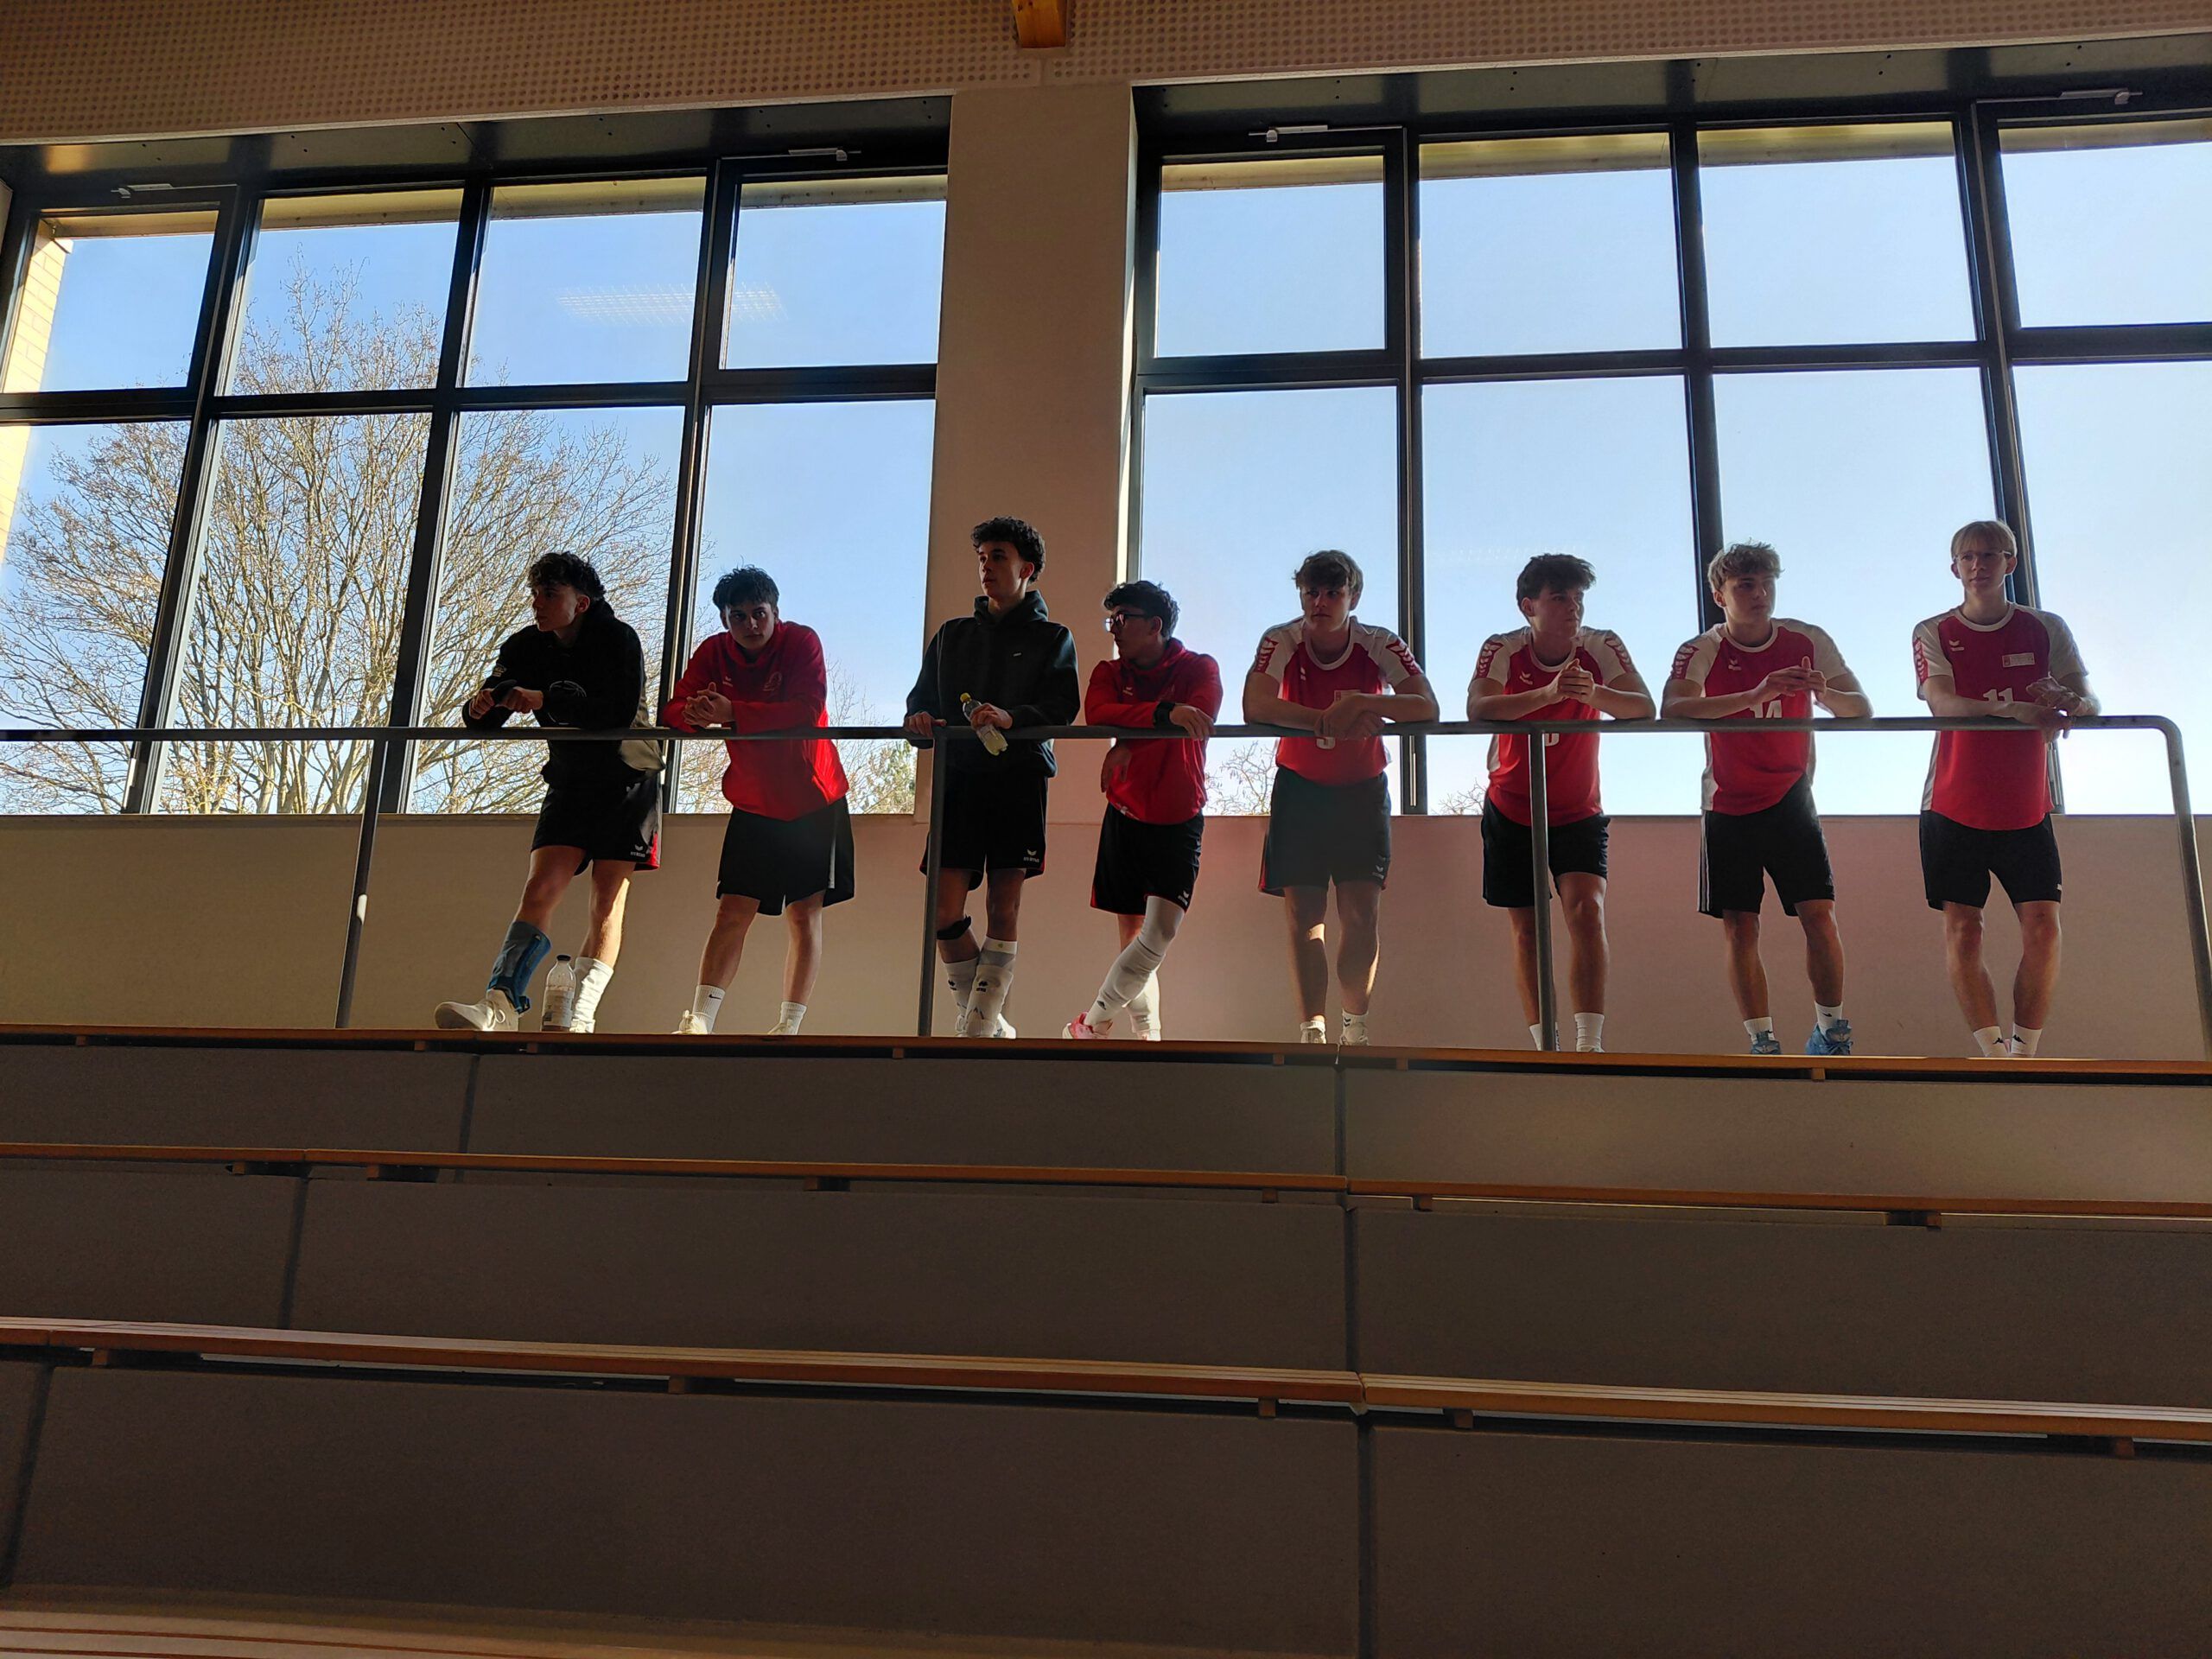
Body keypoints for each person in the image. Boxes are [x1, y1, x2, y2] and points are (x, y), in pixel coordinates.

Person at [435, 551, 663, 1033]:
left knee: (606, 901)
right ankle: (499, 1004)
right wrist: (480, 707)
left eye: (549, 594)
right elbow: (489, 713)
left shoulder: (619, 639)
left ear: (581, 603)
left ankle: (579, 1015)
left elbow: (616, 712)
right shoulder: (525, 646)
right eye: (535, 593)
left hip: (627, 779)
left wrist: (547, 698)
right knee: (540, 888)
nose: (537, 603)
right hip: (571, 780)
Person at [1664, 541, 1869, 1057]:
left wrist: (1825, 693)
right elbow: (1674, 708)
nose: (1760, 595)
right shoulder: (1702, 648)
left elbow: (1860, 709)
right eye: (1745, 586)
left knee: (1819, 914)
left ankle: (1831, 1030)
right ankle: (1761, 1040)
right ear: (1720, 596)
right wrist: (1756, 694)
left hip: (1791, 796)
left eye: (1767, 583)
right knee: (1741, 926)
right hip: (1728, 802)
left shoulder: (1806, 639)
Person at [1913, 519, 2096, 1058]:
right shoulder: (1933, 630)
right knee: (1965, 930)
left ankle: (2025, 1051)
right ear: (1954, 568)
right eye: (1968, 557)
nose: (1979, 565)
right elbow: (1943, 702)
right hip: (1952, 803)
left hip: (2025, 806)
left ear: (2010, 563)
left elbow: (2087, 700)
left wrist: (2074, 704)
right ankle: (1993, 1052)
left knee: (2044, 929)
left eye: (1990, 555)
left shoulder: (2046, 627)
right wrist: (2016, 710)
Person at [1245, 550, 1437, 1046]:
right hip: (1300, 790)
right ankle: (1312, 1031)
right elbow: (1255, 705)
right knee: (1304, 920)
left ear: (1354, 598)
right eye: (1311, 592)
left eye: (1333, 592)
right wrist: (1325, 721)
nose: (1320, 602)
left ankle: (1355, 1030)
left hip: (1361, 791)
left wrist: (1362, 703)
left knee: (1360, 914)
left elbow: (1426, 707)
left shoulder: (1379, 642)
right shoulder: (1281, 638)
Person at [1468, 554, 1654, 1054]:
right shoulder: (1503, 647)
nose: (1573, 608)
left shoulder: (1601, 644)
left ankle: (1589, 1043)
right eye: (1559, 598)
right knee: (1527, 932)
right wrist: (1548, 694)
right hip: (1512, 807)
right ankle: (1544, 1045)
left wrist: (1595, 694)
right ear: (1529, 606)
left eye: (1578, 598)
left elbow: (1642, 706)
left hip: (1578, 810)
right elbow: (1479, 707)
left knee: (1587, 912)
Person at [904, 516, 1080, 1038]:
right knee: (942, 912)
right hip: (958, 781)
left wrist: (1011, 717)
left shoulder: (1054, 637)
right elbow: (920, 705)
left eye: (998, 556)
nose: (986, 567)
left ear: (1027, 568)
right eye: (981, 558)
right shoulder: (952, 635)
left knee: (1003, 907)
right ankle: (987, 1021)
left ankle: (976, 1030)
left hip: (1019, 781)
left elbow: (1061, 708)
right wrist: (919, 722)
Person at [662, 566, 852, 1037]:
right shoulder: (713, 652)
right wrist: (695, 715)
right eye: (738, 616)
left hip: (814, 797)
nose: (750, 624)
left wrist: (733, 712)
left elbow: (807, 709)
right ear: (725, 620)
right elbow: (673, 709)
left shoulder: (802, 641)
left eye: (759, 613)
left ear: (776, 612)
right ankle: (699, 1020)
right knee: (732, 910)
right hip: (752, 799)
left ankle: (789, 1026)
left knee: (804, 914)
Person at [1064, 580, 1222, 1042]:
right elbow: (1098, 713)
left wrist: (1132, 738)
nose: (1113, 628)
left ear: (1155, 625)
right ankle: (1147, 1037)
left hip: (1179, 815)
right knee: (1132, 938)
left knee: (1159, 935)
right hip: (1126, 814)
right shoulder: (1110, 671)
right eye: (1110, 620)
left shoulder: (1199, 666)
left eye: (1122, 619)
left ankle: (1091, 1023)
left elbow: (1198, 718)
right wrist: (1161, 717)